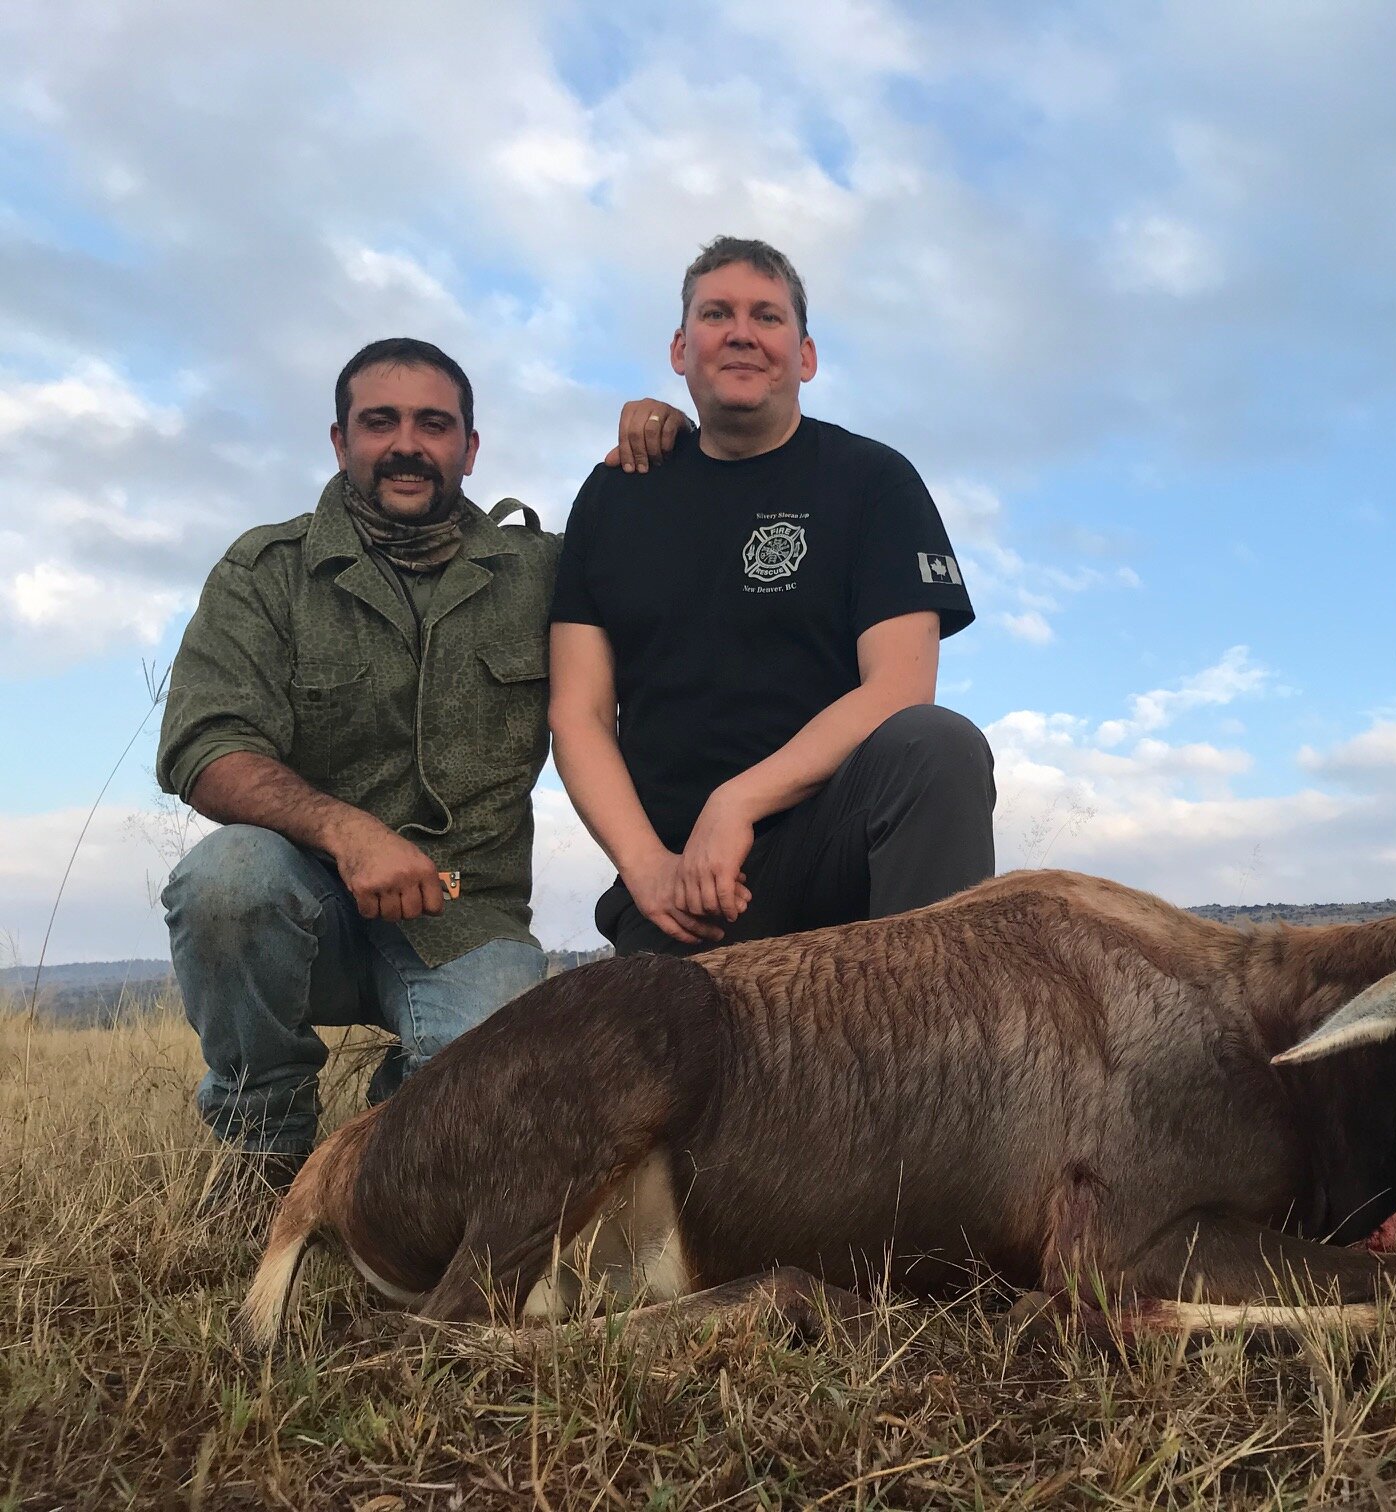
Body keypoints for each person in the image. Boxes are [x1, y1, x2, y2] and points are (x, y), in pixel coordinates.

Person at [157, 338, 683, 1210]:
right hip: (310, 909)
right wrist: (348, 834)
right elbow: (203, 747)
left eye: (434, 425)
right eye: (381, 423)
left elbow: (663, 562)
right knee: (226, 877)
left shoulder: (545, 572)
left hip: (467, 920)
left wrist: (662, 443)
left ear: (469, 449)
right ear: (339, 442)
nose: (408, 444)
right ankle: (263, 1144)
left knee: (446, 1164)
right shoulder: (265, 570)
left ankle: (394, 1115)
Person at [549, 236, 995, 955]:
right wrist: (647, 867)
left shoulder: (874, 482)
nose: (741, 333)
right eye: (716, 314)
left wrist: (738, 802)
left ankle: (940, 1037)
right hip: (681, 885)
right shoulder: (613, 496)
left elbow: (902, 688)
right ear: (679, 348)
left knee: (938, 747)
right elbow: (579, 712)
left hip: (833, 849)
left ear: (806, 355)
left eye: (767, 316)